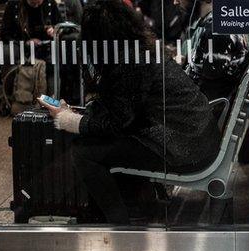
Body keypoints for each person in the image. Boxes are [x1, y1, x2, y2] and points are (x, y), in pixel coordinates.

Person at [38, 0, 218, 224]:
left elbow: (118, 123)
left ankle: (118, 223)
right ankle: (138, 206)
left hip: (183, 148)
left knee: (84, 152)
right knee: (106, 142)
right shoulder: (140, 48)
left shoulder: (128, 60)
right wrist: (82, 113)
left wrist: (68, 120)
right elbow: (124, 107)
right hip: (191, 137)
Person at [175, 0, 249, 101]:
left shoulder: (216, 31)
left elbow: (210, 91)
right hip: (205, 101)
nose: (175, 2)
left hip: (204, 108)